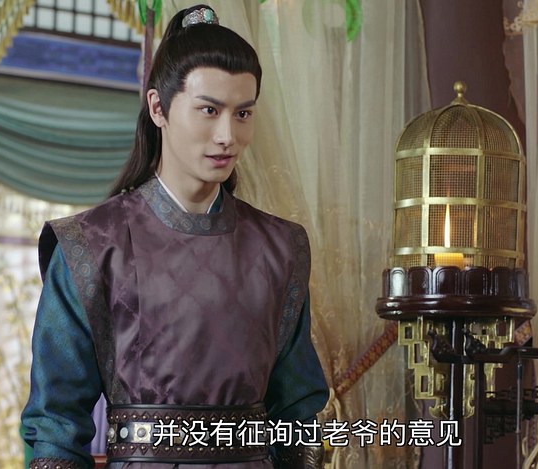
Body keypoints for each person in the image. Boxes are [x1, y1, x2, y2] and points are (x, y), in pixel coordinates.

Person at [21, 5, 329, 469]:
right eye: (209, 110)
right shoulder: (92, 245)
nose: (227, 135)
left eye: (243, 113)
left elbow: (297, 415)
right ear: (158, 108)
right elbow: (56, 424)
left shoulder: (280, 248)